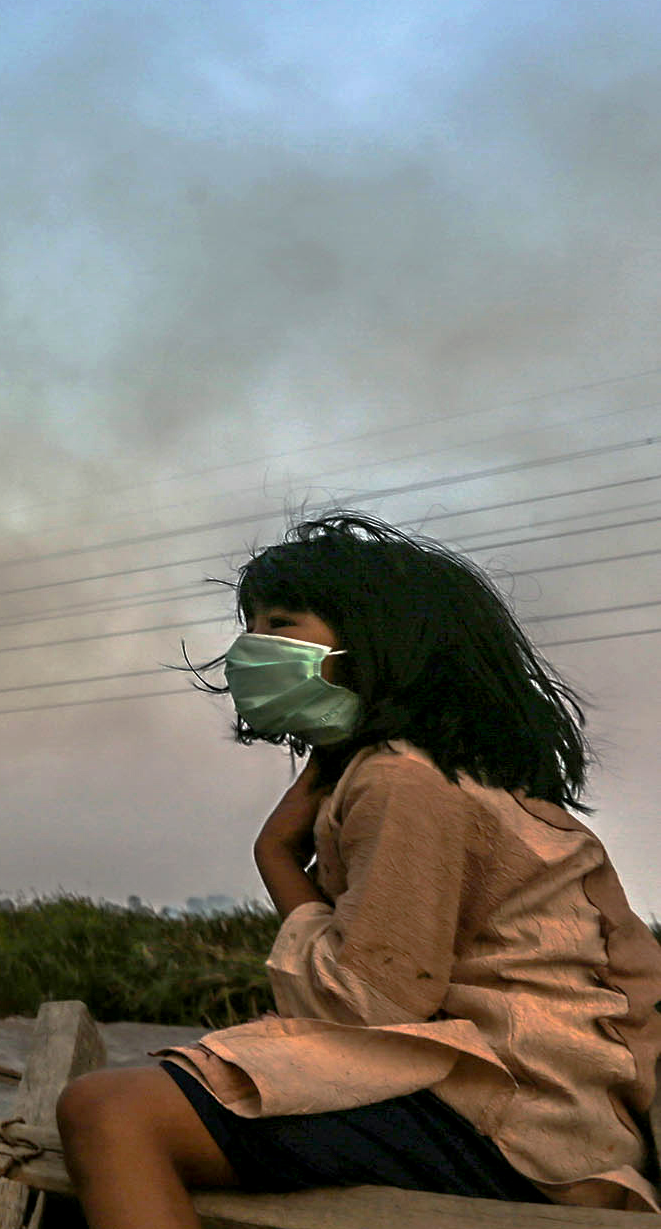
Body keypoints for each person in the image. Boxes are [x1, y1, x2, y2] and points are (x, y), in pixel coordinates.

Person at [56, 512, 661, 1227]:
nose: (251, 647)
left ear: (375, 642)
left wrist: (275, 854)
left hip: (512, 1119)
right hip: (555, 1111)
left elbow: (370, 1005)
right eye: (250, 626)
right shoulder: (470, 779)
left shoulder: (401, 779)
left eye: (280, 623)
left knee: (111, 1111)